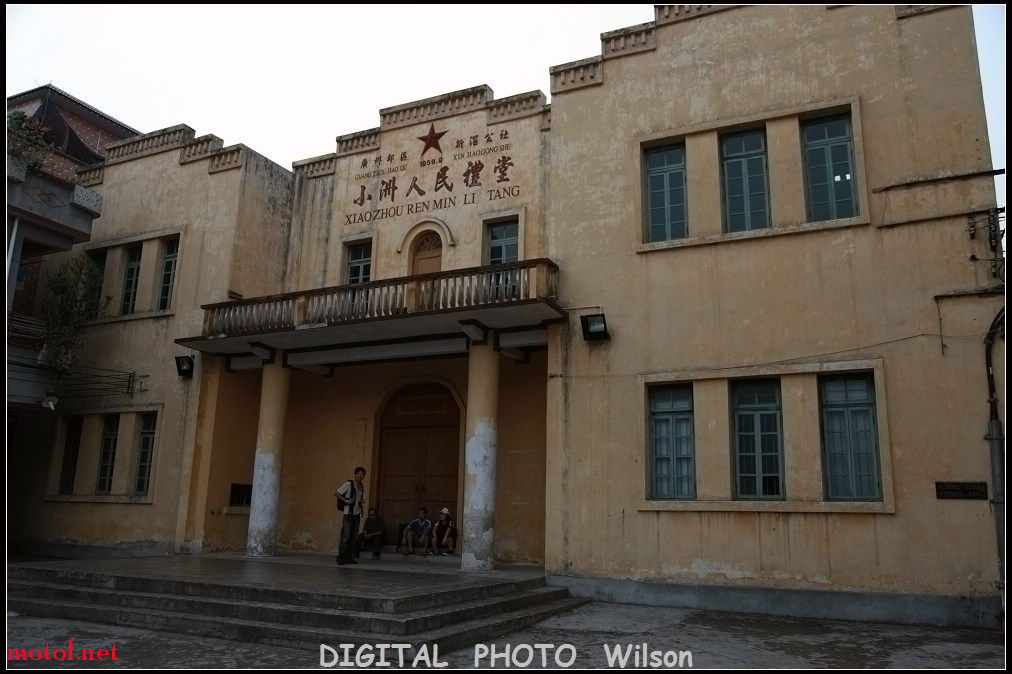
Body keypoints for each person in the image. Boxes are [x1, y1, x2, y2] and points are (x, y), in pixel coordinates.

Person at [335, 466, 366, 565]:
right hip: (348, 513)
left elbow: (359, 497)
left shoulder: (361, 486)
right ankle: (340, 557)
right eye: (359, 474)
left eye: (362, 474)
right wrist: (347, 501)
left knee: (353, 537)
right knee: (346, 536)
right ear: (355, 474)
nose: (360, 476)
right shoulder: (349, 484)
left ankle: (349, 557)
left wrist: (361, 500)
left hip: (356, 514)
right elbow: (337, 493)